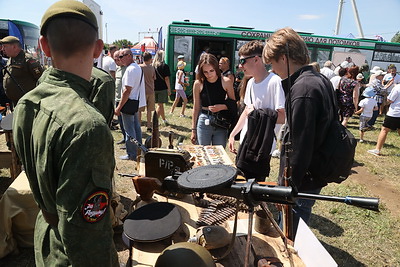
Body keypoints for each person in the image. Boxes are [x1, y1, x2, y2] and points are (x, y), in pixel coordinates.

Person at [12, 1, 119, 266]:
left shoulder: (26, 104)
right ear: (98, 49)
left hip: (47, 239)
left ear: (43, 46)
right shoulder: (88, 126)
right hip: (71, 254)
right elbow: (86, 235)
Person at [263, 27, 338, 236]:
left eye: (273, 63)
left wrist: (286, 190)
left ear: (284, 59)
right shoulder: (318, 80)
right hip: (311, 174)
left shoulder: (303, 89)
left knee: (289, 237)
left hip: (302, 181)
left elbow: (299, 147)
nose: (272, 70)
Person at [228, 40, 285, 180]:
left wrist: (256, 113)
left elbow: (283, 117)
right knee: (240, 183)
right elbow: (246, 112)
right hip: (246, 142)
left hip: (262, 147)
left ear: (256, 59)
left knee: (254, 191)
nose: (240, 66)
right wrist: (233, 134)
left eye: (243, 61)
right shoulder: (251, 83)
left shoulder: (274, 82)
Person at [191, 53, 236, 147]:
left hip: (221, 120)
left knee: (220, 153)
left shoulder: (226, 81)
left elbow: (233, 104)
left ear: (216, 68)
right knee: (203, 152)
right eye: (205, 72)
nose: (209, 74)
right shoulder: (198, 83)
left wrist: (222, 106)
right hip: (204, 119)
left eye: (211, 70)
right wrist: (193, 129)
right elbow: (196, 107)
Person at [115, 48, 146, 160]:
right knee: (136, 128)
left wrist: (119, 107)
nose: (120, 59)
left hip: (128, 102)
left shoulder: (130, 70)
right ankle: (140, 150)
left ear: (129, 56)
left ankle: (132, 154)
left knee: (129, 130)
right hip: (135, 101)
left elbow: (127, 90)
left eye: (122, 56)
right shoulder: (137, 68)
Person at [1, 35, 43, 106]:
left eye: (5, 46)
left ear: (14, 47)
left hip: (28, 103)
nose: (2, 49)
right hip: (15, 102)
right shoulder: (10, 60)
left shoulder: (28, 60)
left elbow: (41, 79)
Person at [368, 83, 400, 156]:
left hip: (395, 112)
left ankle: (377, 149)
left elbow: (390, 99)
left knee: (384, 130)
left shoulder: (397, 87)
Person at [152, 50, 171, 125]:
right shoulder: (165, 66)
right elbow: (166, 79)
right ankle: (155, 120)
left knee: (160, 105)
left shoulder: (153, 66)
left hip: (154, 87)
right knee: (160, 105)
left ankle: (164, 119)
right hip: (162, 88)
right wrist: (169, 89)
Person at [139, 51, 156, 132]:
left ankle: (138, 124)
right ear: (150, 59)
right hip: (151, 90)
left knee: (140, 110)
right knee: (149, 110)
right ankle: (149, 125)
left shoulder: (140, 67)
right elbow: (154, 78)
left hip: (142, 91)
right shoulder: (152, 68)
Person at [114, 50, 127, 144]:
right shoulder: (118, 68)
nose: (115, 61)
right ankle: (124, 137)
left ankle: (128, 141)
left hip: (124, 99)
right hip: (117, 98)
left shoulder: (127, 69)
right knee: (121, 121)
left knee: (126, 122)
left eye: (116, 59)